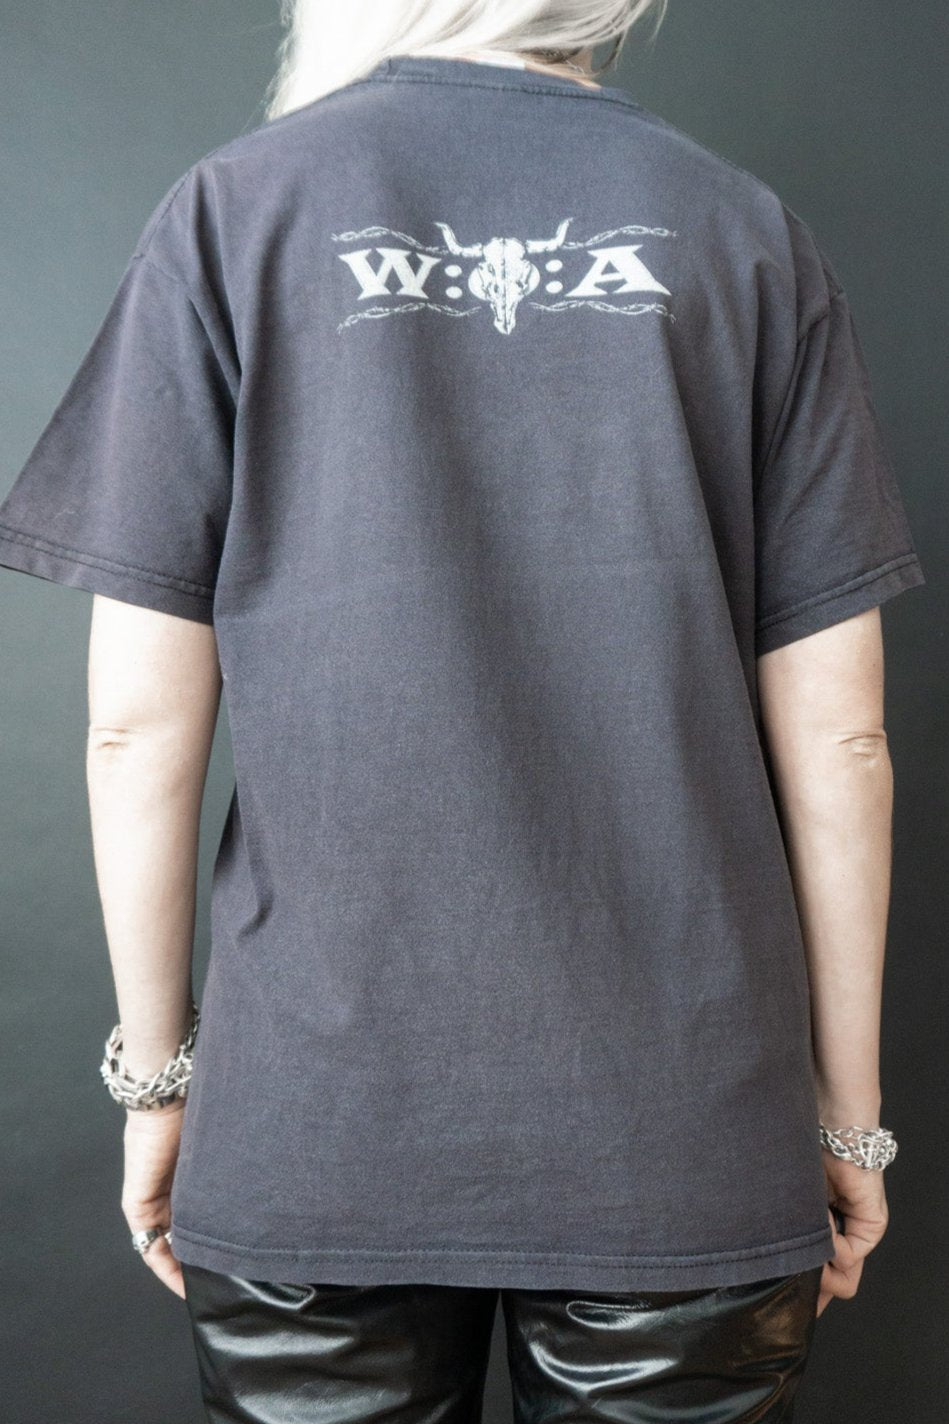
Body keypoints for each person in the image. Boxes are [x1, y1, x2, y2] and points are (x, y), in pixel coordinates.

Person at [0, 1, 924, 1419]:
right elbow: (842, 740)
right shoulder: (741, 230)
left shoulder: (235, 212)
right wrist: (846, 1122)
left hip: (313, 1127)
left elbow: (134, 731)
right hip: (683, 1134)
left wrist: (158, 1081)